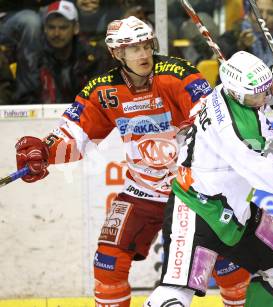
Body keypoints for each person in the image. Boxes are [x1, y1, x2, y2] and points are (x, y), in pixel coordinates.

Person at [14, 15, 259, 307]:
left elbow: (213, 121)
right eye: (134, 48)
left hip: (195, 192)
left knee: (230, 269)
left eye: (146, 45)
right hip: (142, 191)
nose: (143, 54)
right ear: (117, 53)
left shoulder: (179, 74)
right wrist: (42, 151)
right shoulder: (102, 91)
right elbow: (73, 137)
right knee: (108, 262)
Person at [144, 50, 273, 307]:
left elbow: (256, 95)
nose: (262, 97)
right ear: (237, 93)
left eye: (266, 89)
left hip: (233, 211)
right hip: (197, 209)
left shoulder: (226, 92)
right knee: (175, 293)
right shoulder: (236, 130)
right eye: (258, 94)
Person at [14, 0, 109, 104]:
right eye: (51, 27)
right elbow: (24, 101)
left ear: (75, 28)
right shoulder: (31, 58)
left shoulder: (93, 57)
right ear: (44, 28)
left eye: (63, 27)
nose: (56, 33)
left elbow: (101, 98)